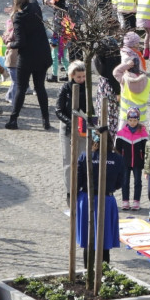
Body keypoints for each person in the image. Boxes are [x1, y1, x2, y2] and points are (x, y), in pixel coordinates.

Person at [5, 0, 52, 130]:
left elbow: (20, 42)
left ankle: (13, 120)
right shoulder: (35, 8)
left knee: (20, 87)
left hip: (27, 59)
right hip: (42, 55)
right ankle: (46, 120)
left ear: (16, 1)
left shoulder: (19, 17)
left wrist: (9, 44)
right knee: (40, 87)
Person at [76, 132, 124, 268]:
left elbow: (77, 181)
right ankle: (104, 271)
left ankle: (88, 271)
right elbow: (120, 183)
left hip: (87, 199)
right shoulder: (118, 159)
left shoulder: (85, 157)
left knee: (88, 240)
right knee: (105, 240)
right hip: (107, 199)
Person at [55, 61, 88, 199]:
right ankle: (70, 190)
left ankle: (81, 187)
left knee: (82, 160)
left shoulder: (87, 88)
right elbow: (58, 110)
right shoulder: (65, 88)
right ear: (72, 76)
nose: (81, 80)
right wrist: (69, 123)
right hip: (67, 126)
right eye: (78, 77)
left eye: (83, 76)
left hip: (82, 126)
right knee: (67, 160)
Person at [115, 107, 149, 211]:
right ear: (127, 120)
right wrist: (118, 161)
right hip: (124, 162)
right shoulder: (121, 133)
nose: (132, 122)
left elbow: (146, 149)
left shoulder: (143, 133)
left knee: (138, 182)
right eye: (130, 120)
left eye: (135, 120)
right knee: (125, 182)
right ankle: (125, 201)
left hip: (138, 162)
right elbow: (117, 149)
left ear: (138, 120)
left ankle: (136, 201)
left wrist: (145, 161)